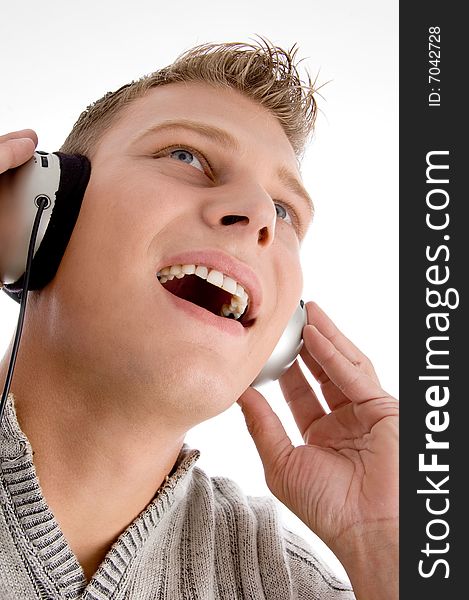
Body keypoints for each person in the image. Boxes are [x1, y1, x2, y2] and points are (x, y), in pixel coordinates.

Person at [0, 40, 398, 599]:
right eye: (186, 156)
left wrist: (390, 549)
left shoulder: (298, 585)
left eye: (284, 213)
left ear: (280, 339)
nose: (260, 215)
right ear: (38, 209)